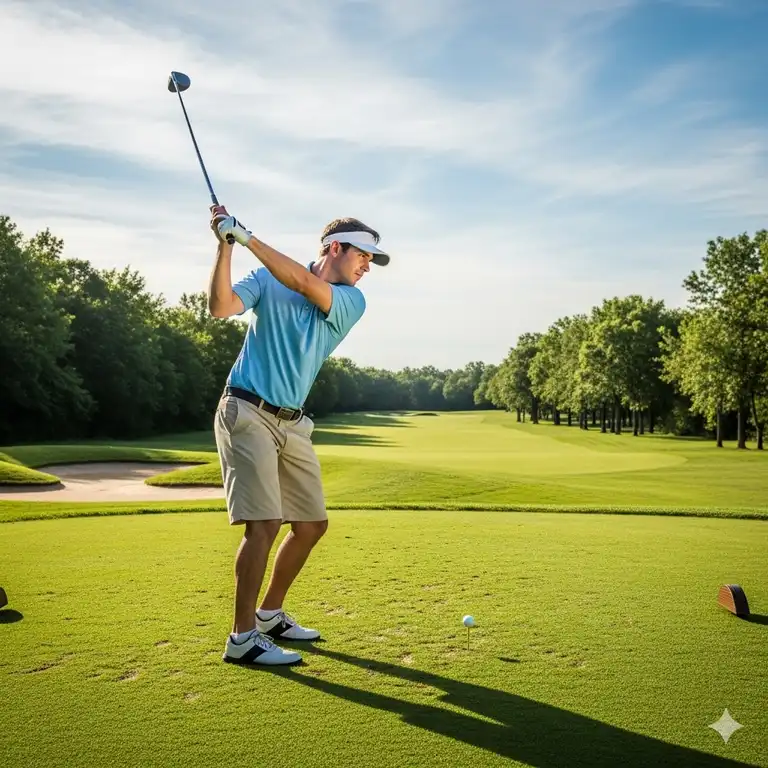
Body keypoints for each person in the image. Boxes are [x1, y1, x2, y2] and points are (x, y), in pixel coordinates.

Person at [207, 205, 390, 666]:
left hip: (293, 422)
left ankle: (269, 614)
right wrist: (225, 247)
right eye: (363, 256)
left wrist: (246, 237)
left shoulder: (351, 299)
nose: (367, 266)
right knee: (264, 524)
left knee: (310, 525)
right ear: (335, 248)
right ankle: (242, 637)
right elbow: (220, 307)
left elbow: (305, 284)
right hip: (246, 409)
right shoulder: (267, 277)